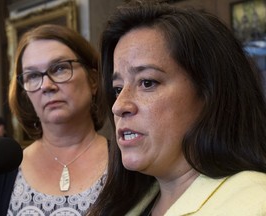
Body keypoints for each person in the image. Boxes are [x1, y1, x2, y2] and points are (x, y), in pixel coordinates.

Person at [88, 1, 266, 215]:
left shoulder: (256, 203)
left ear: (209, 93)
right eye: (117, 89)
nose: (119, 106)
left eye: (147, 83)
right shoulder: (124, 204)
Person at [0, 24, 108, 216]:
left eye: (60, 68)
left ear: (94, 80)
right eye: (32, 76)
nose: (46, 86)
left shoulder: (130, 165)